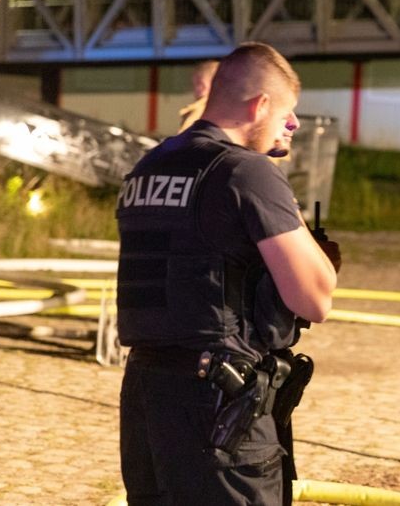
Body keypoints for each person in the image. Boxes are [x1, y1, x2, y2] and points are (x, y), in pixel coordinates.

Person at [116, 42, 339, 505]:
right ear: (260, 105)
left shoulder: (150, 165)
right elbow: (314, 297)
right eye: (287, 112)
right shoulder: (246, 172)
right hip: (219, 406)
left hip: (146, 399)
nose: (293, 124)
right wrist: (291, 216)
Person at [178, 59, 220, 132]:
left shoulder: (198, 113)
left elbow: (184, 141)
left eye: (194, 85)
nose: (193, 90)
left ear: (202, 85)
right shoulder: (231, 112)